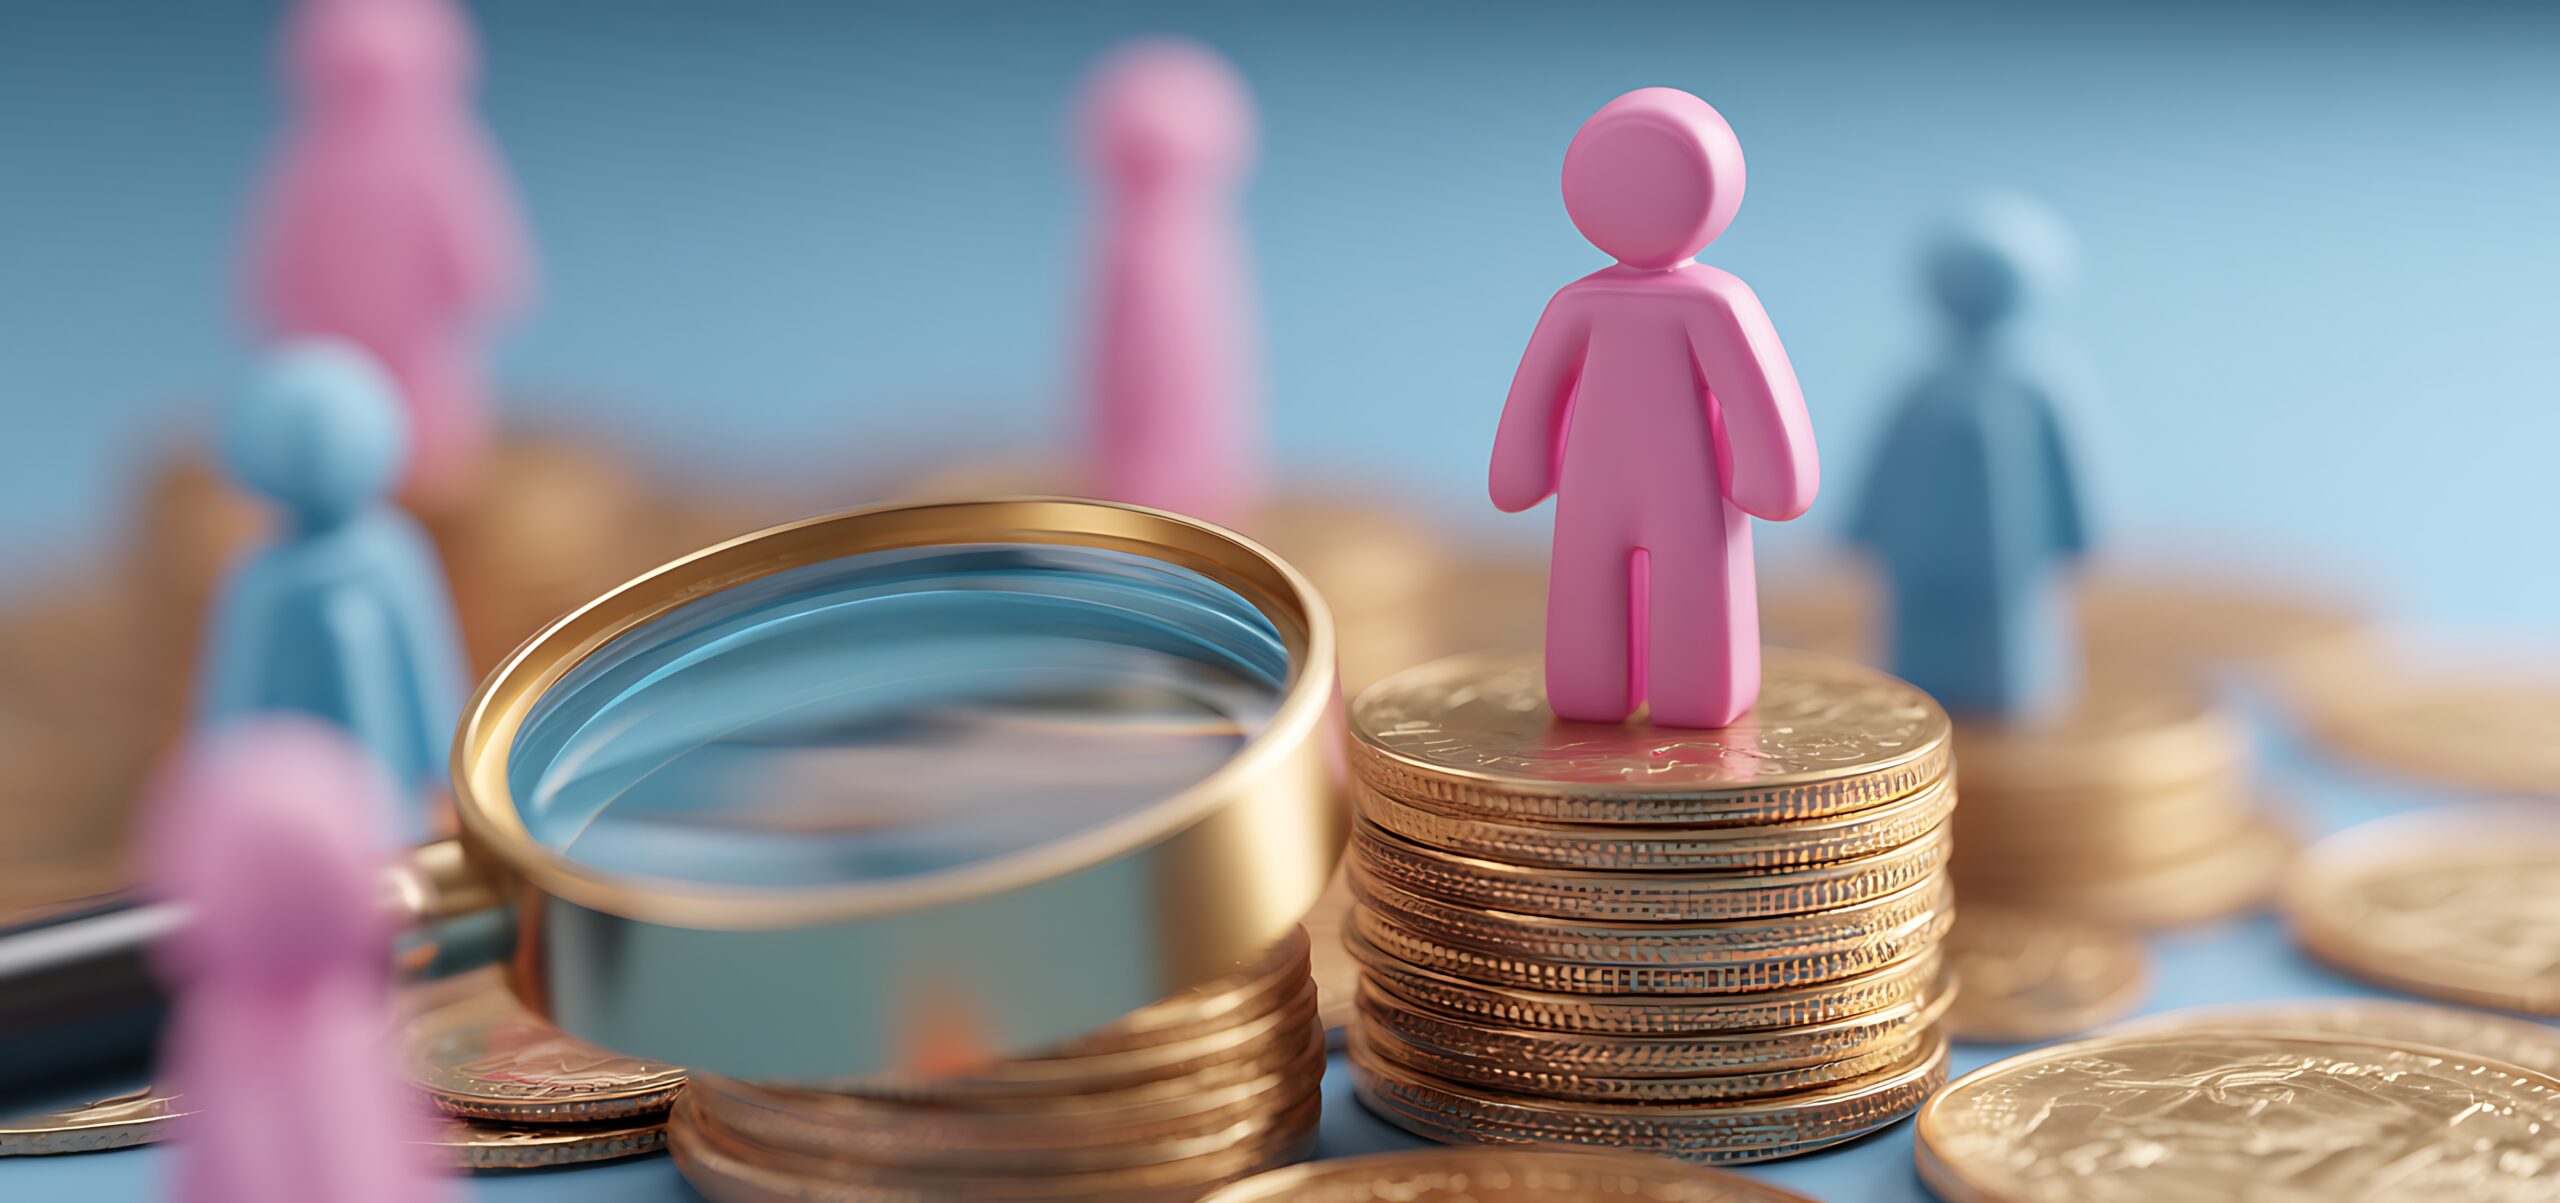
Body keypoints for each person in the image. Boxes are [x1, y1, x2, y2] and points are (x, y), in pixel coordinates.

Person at [1489, 88, 1819, 729]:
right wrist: (1523, 465)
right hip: (1599, 482)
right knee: (1590, 584)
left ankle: (1693, 689)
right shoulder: (1578, 303)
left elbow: (1750, 391)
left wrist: (1771, 474)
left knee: (1693, 584)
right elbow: (1541, 388)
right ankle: (1593, 686)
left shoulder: (1714, 303)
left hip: (1683, 486)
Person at [198, 341, 468, 842]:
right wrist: (221, 786)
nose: (319, 458)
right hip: (291, 806)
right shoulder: (265, 579)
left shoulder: (393, 555)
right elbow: (235, 702)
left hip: (397, 799)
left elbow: (426, 669)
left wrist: (454, 765)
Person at [1850, 194, 2090, 717]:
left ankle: (2006, 692)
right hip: (1921, 557)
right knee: (1920, 639)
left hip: (2009, 559)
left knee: (2005, 639)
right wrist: (1863, 525)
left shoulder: (2037, 384)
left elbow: (2069, 468)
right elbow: (1885, 463)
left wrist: (2080, 531)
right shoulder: (1923, 386)